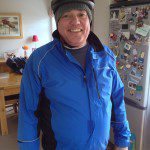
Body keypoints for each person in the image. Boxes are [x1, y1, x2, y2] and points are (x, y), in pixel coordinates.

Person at [18, 0, 131, 149]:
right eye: (66, 15)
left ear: (89, 20)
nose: (75, 22)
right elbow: (28, 112)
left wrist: (122, 140)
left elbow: (117, 101)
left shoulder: (105, 56)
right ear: (57, 22)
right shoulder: (39, 61)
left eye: (81, 14)